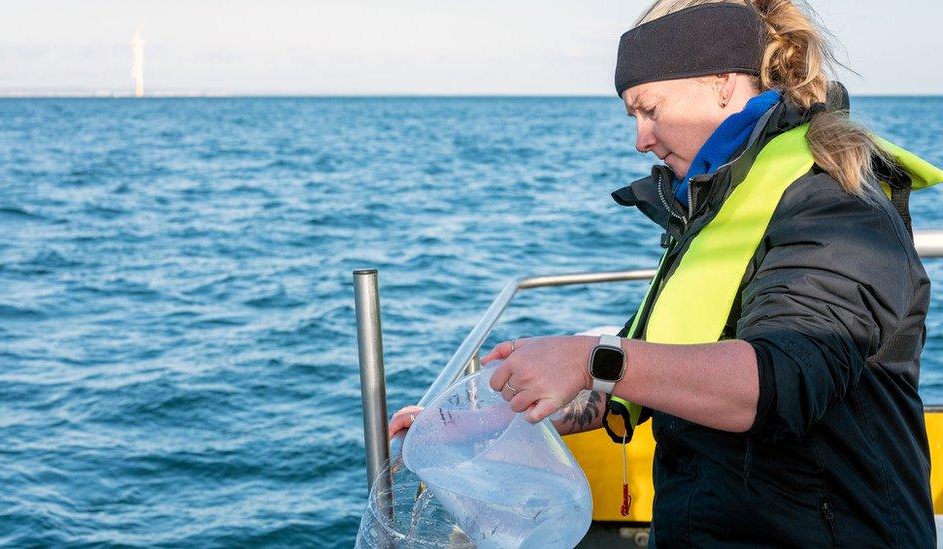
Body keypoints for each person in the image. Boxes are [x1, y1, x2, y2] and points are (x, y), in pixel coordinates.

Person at [390, 0, 943, 545]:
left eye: (650, 109)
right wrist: (473, 422)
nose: (640, 139)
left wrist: (588, 360)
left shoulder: (834, 199)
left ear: (723, 82)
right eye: (633, 117)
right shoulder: (713, 206)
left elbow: (779, 379)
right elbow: (636, 374)